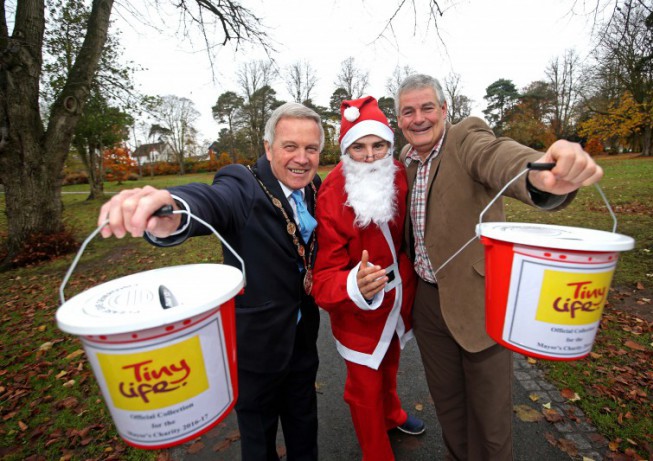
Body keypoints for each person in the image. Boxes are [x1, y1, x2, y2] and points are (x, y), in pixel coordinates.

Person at [395, 74, 604, 461]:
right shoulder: (405, 162)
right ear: (400, 119)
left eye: (427, 108)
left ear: (444, 110)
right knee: (450, 408)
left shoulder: (465, 138)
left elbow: (495, 155)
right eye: (408, 111)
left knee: (490, 423)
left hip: (478, 301)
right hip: (427, 303)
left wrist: (540, 175)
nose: (418, 118)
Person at [98, 102, 323, 461]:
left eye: (311, 148)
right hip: (255, 347)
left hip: (302, 337)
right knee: (258, 440)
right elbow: (213, 200)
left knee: (304, 425)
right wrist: (172, 209)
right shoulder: (243, 182)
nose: (302, 158)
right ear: (268, 147)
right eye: (290, 146)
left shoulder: (314, 188)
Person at [312, 96, 425, 461]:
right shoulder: (332, 192)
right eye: (358, 147)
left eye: (378, 145)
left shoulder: (397, 174)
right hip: (357, 306)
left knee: (390, 360)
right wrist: (353, 285)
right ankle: (375, 453)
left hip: (398, 296)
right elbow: (324, 275)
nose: (370, 156)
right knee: (363, 384)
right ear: (346, 150)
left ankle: (392, 414)